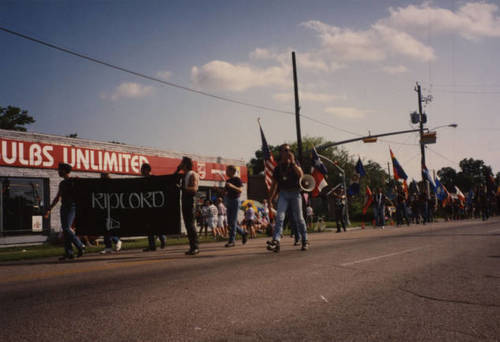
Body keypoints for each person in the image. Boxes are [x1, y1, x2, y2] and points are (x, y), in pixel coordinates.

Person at [267, 144, 309, 252]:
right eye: (285, 150)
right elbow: (274, 185)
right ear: (281, 152)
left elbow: (301, 175)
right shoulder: (277, 168)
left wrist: (293, 162)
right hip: (283, 194)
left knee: (299, 218)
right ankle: (276, 240)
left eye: (290, 150)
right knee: (280, 217)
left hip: (295, 193)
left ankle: (305, 240)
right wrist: (269, 199)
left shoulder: (295, 164)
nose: (288, 152)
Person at [45, 163, 85, 260]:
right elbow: (58, 197)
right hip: (64, 207)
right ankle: (69, 253)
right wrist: (49, 208)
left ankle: (80, 245)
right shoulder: (62, 183)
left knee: (67, 228)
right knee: (65, 230)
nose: (58, 171)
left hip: (72, 207)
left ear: (64, 171)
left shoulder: (73, 181)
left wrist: (79, 181)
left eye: (59, 170)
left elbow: (83, 191)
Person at [175, 157, 200, 255]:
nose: (180, 164)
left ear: (185, 164)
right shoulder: (184, 175)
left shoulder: (192, 174)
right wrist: (177, 170)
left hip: (190, 200)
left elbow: (193, 189)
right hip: (185, 200)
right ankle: (192, 246)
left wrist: (181, 188)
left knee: (190, 224)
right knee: (187, 224)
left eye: (181, 163)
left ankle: (195, 247)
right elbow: (174, 177)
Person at [141, 163, 166, 252]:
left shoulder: (155, 179)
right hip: (147, 206)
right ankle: (152, 245)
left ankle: (162, 239)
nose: (141, 172)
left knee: (156, 226)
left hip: (155, 206)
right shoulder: (142, 181)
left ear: (147, 170)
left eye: (142, 169)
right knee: (148, 227)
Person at [223, 165, 248, 247]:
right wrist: (218, 190)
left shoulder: (237, 179)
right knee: (230, 223)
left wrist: (231, 186)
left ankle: (232, 241)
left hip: (235, 201)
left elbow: (240, 190)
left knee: (233, 222)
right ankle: (243, 233)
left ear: (232, 171)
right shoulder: (228, 180)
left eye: (227, 170)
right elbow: (226, 192)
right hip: (229, 201)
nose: (226, 172)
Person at [99, 173, 122, 254]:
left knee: (109, 226)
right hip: (104, 208)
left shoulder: (112, 184)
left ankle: (114, 242)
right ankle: (110, 245)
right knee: (105, 227)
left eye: (102, 176)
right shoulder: (100, 185)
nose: (100, 177)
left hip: (112, 208)